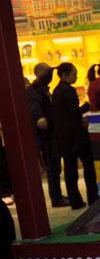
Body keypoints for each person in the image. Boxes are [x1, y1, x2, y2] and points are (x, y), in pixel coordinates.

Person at [51, 63, 99, 209]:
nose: (76, 77)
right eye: (74, 74)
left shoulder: (56, 90)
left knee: (70, 169)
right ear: (64, 75)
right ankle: (93, 198)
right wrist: (86, 106)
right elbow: (74, 112)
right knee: (88, 166)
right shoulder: (69, 90)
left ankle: (75, 201)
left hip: (63, 135)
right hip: (77, 134)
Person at [25, 62, 67, 207]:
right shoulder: (34, 91)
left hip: (52, 134)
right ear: (39, 73)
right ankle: (56, 198)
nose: (50, 75)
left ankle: (58, 195)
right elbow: (34, 109)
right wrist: (40, 118)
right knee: (52, 168)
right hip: (45, 136)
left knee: (56, 167)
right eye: (47, 72)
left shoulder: (43, 89)